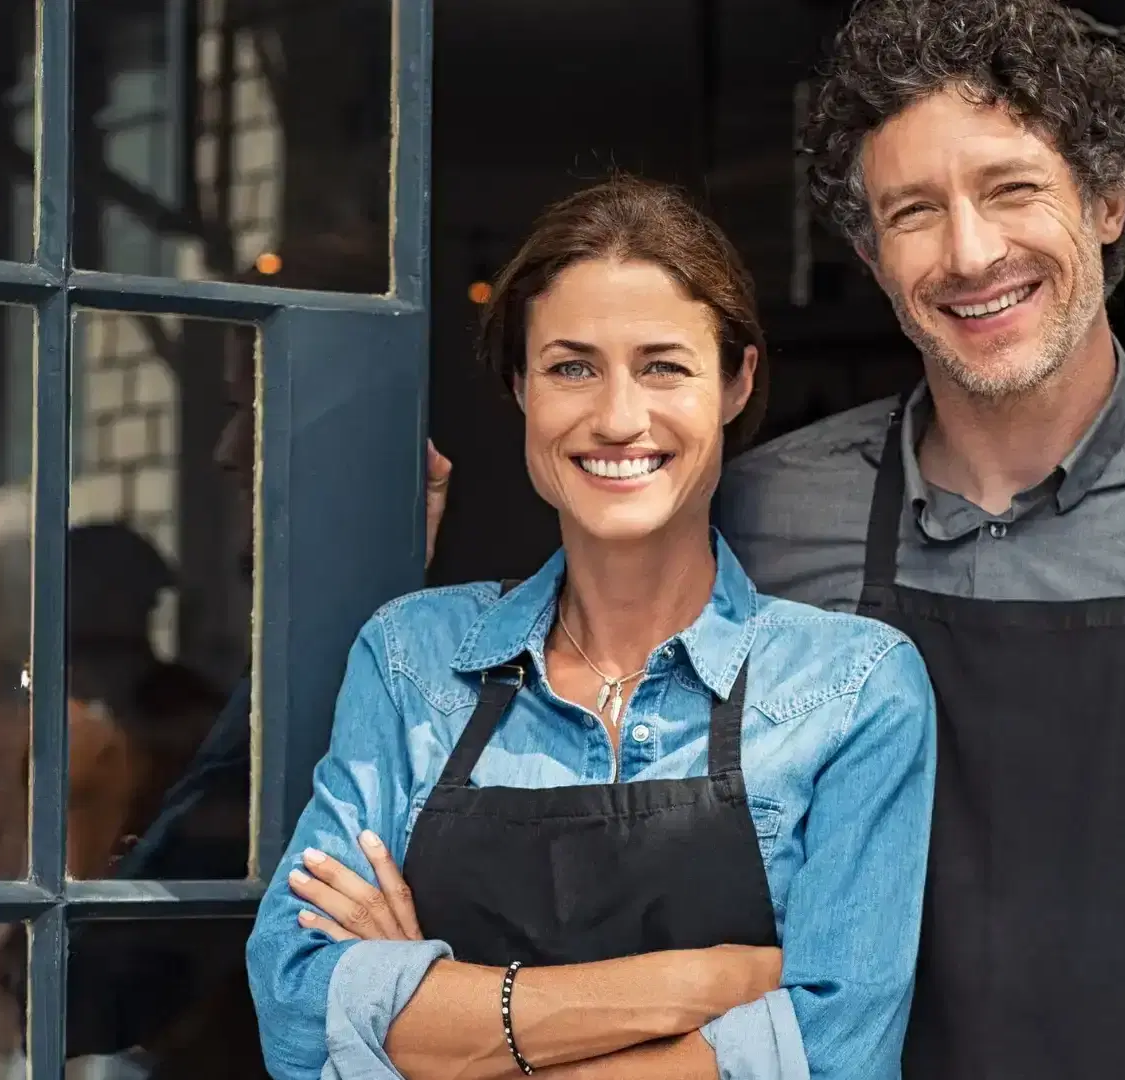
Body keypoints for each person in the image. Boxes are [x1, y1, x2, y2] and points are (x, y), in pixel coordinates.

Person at [711, 1, 1125, 1076]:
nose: (970, 252)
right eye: (913, 210)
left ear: (1106, 199)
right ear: (870, 253)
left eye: (1012, 188)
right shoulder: (762, 516)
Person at [246, 175, 937, 1080]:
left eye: (664, 366)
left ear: (736, 382)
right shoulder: (413, 659)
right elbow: (298, 1009)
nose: (617, 417)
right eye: (572, 367)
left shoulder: (851, 689)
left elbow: (837, 1056)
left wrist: (434, 1029)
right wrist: (698, 987)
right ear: (521, 389)